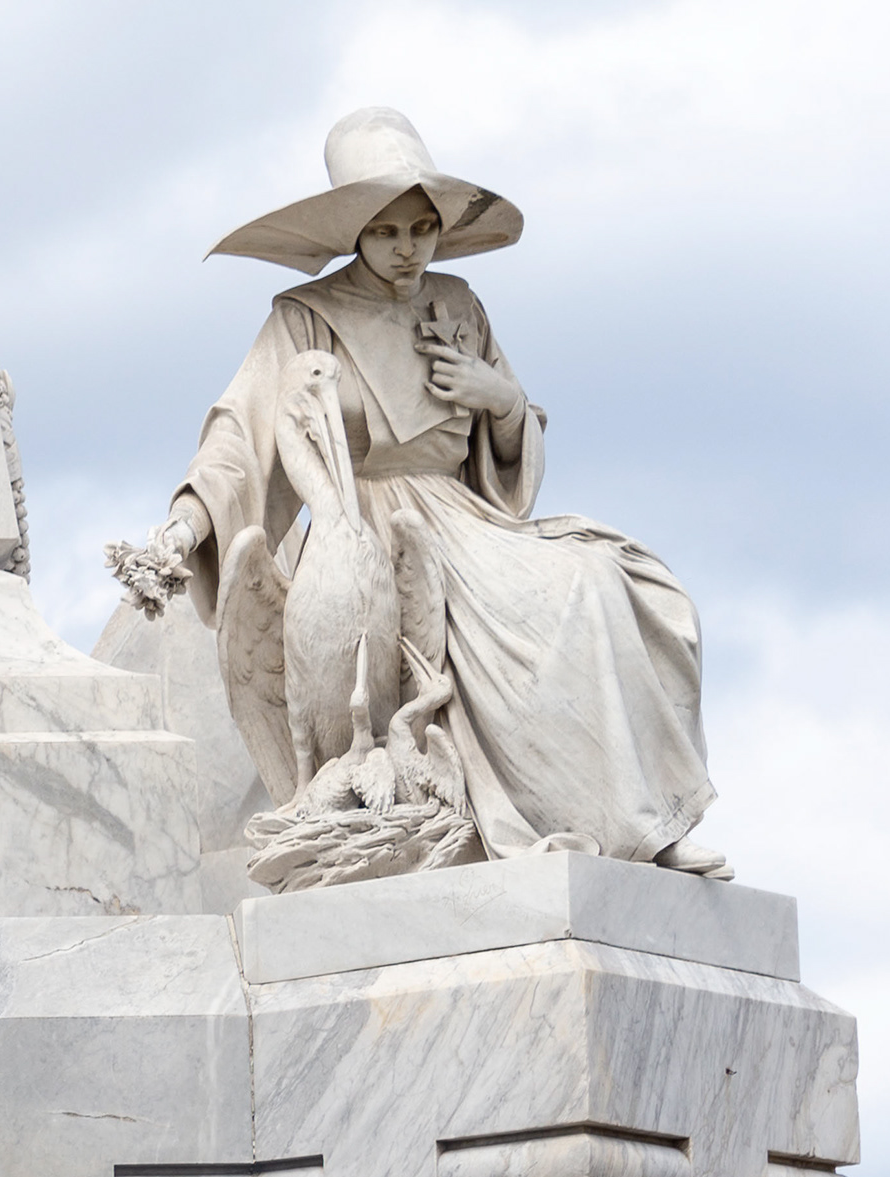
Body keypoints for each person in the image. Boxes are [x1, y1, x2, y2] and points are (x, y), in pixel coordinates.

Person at [135, 108, 711, 873]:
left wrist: (496, 397)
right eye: (385, 231)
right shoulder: (306, 318)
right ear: (354, 231)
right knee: (547, 609)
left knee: (608, 583)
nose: (406, 249)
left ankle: (638, 828)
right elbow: (241, 435)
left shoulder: (460, 304)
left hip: (465, 518)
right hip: (365, 528)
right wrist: (184, 526)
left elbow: (512, 454)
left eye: (422, 228)